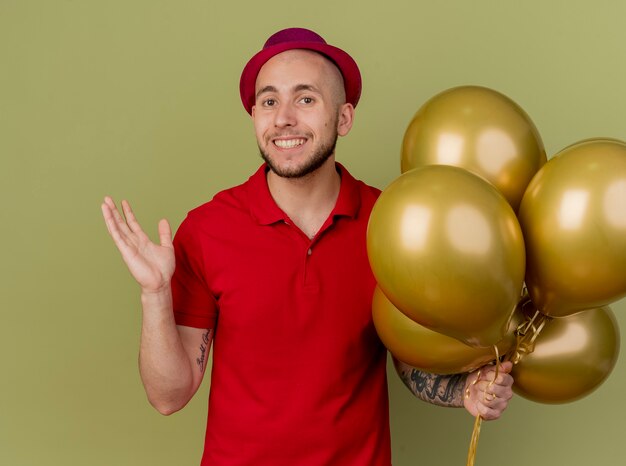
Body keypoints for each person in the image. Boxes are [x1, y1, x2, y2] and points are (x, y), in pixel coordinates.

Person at [101, 27, 514, 466]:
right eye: (269, 101)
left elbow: (411, 359)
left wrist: (466, 391)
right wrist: (154, 294)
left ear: (344, 118)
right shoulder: (207, 229)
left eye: (305, 99)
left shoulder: (391, 225)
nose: (283, 118)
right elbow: (170, 396)